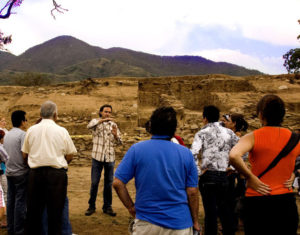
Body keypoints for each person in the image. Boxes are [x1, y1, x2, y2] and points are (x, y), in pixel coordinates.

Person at [113, 106, 200, 235]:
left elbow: (118, 183)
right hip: (179, 222)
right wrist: (195, 221)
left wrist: (131, 208)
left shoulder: (137, 150)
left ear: (151, 126)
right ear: (174, 129)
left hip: (147, 222)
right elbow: (192, 192)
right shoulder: (185, 153)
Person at [229, 94, 300, 235]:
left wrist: (249, 177)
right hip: (285, 201)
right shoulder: (294, 138)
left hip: (257, 199)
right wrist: (295, 173)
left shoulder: (252, 137)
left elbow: (233, 155)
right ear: (282, 115)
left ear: (261, 115)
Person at [22, 101, 77, 235]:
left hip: (35, 174)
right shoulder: (62, 131)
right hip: (56, 175)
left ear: (40, 114)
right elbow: (70, 155)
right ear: (55, 115)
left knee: (33, 212)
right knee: (55, 212)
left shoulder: (31, 130)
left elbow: (24, 154)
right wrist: (60, 164)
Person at [190, 105, 238, 235]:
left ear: (204, 118)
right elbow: (242, 152)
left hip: (208, 176)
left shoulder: (201, 133)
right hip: (224, 175)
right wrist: (233, 167)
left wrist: (198, 172)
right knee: (225, 210)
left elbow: (193, 154)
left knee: (210, 213)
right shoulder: (229, 133)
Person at [85, 104, 122, 217]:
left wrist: (116, 136)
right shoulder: (96, 122)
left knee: (108, 183)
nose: (108, 114)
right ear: (101, 112)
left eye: (109, 112)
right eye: (106, 112)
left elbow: (120, 142)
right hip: (97, 158)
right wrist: (103, 120)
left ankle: (107, 207)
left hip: (109, 158)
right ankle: (91, 206)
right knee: (95, 182)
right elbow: (89, 126)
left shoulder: (114, 125)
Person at [4, 110, 28, 235]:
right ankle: (19, 230)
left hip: (9, 172)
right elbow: (25, 154)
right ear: (22, 121)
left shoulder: (7, 134)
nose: (26, 122)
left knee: (11, 201)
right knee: (20, 202)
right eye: (26, 120)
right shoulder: (22, 135)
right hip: (20, 173)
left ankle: (11, 229)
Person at [0, 130, 9, 227]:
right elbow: (7, 159)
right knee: (5, 194)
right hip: (2, 172)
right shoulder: (1, 147)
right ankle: (4, 219)